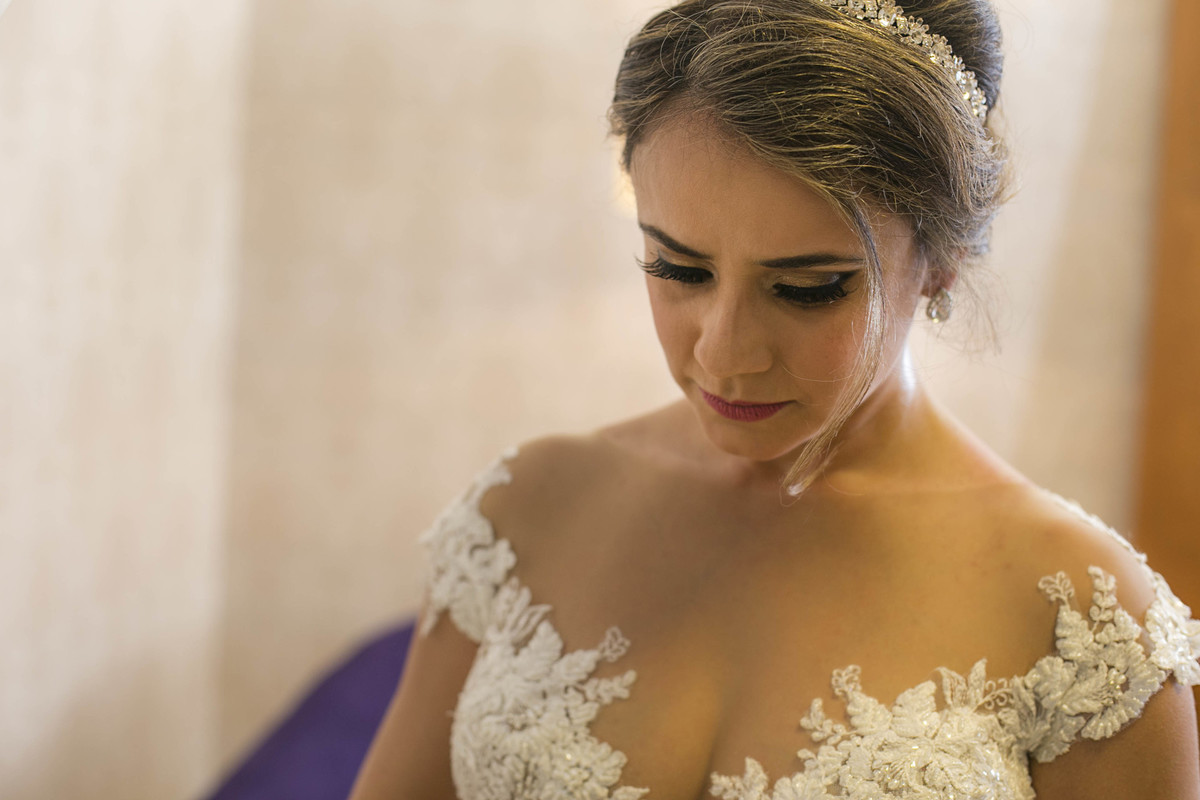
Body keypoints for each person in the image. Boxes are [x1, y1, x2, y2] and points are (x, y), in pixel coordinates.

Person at [349, 0, 1200, 797]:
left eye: (808, 287)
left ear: (938, 259)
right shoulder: (526, 510)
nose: (723, 352)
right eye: (677, 269)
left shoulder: (1083, 621)